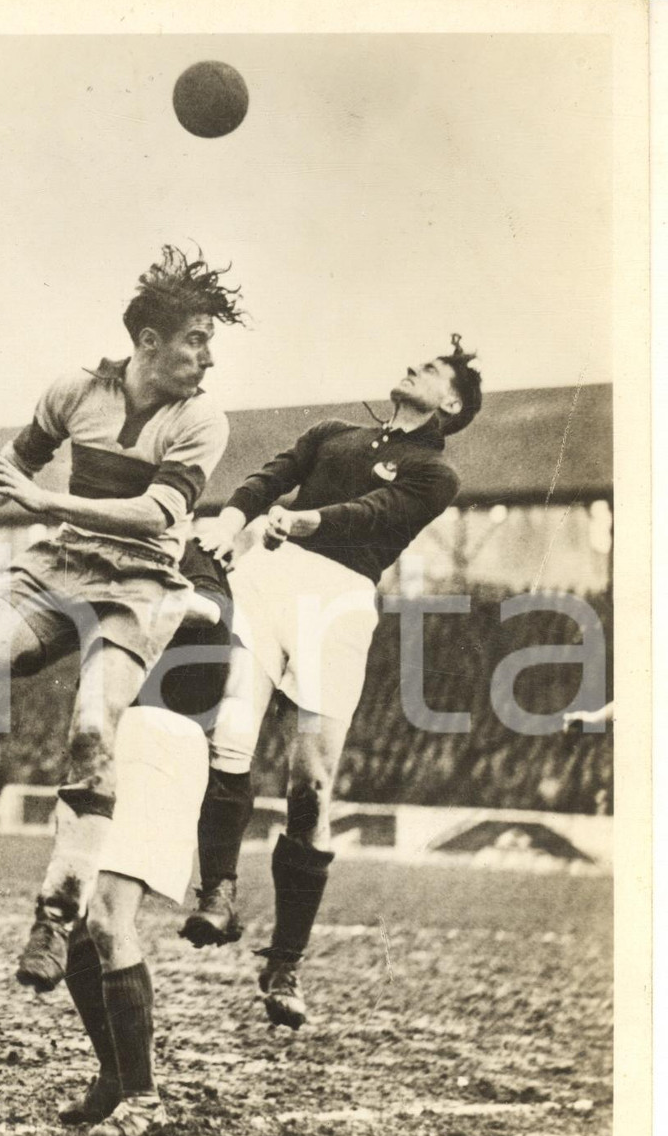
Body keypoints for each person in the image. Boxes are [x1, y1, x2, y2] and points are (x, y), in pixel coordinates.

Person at [0, 246, 245, 999]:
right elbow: (20, 460)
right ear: (149, 342)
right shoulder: (75, 390)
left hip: (140, 580)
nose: (208, 358)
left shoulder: (202, 419)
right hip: (62, 562)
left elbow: (155, 513)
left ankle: (55, 916)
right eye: (196, 340)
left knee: (93, 732)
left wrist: (43, 503)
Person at [183, 338, 483, 1029]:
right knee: (230, 739)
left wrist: (305, 520)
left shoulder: (436, 473)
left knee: (311, 786)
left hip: (339, 602)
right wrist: (232, 521)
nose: (415, 364)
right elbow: (268, 477)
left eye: (433, 369)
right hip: (267, 584)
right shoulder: (331, 433)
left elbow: (375, 513)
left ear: (450, 401)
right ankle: (217, 894)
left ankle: (284, 963)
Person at [59, 540, 234, 1136]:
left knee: (108, 918)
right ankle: (116, 1077)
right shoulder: (106, 553)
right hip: (110, 740)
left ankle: (143, 1099)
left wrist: (116, 590)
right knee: (80, 926)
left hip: (161, 734)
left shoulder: (185, 548)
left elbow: (209, 611)